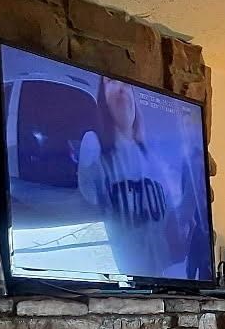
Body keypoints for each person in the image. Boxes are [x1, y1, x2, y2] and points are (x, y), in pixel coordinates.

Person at [75, 79, 204, 279]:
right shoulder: (94, 145)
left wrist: (192, 194)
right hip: (120, 279)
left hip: (165, 281)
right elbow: (88, 208)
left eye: (127, 86)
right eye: (110, 82)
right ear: (103, 98)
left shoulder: (154, 160)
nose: (121, 89)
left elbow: (173, 240)